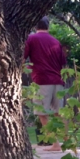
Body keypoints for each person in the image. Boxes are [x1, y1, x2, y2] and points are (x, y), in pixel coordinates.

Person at [24, 17, 66, 151]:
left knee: (42, 113)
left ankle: (55, 144)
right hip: (58, 81)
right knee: (60, 113)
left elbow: (22, 58)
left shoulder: (31, 39)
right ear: (48, 25)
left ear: (34, 25)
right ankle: (67, 141)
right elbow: (63, 63)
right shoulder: (55, 41)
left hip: (42, 81)